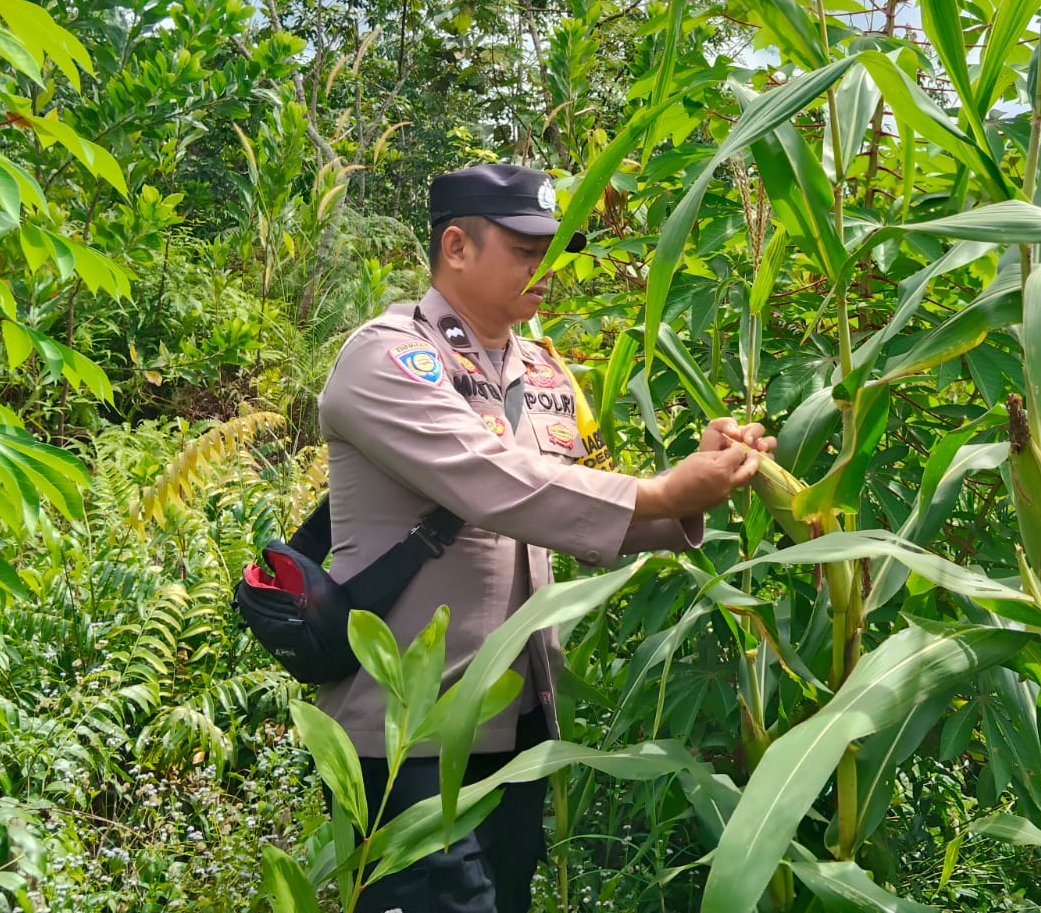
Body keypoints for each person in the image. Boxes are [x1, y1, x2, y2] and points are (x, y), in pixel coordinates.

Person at [316, 162, 771, 912]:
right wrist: (658, 490)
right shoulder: (387, 358)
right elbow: (494, 483)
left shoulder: (545, 368)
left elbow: (582, 500)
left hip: (517, 720)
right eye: (527, 248)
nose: (547, 266)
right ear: (456, 247)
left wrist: (702, 478)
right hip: (411, 734)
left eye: (554, 248)